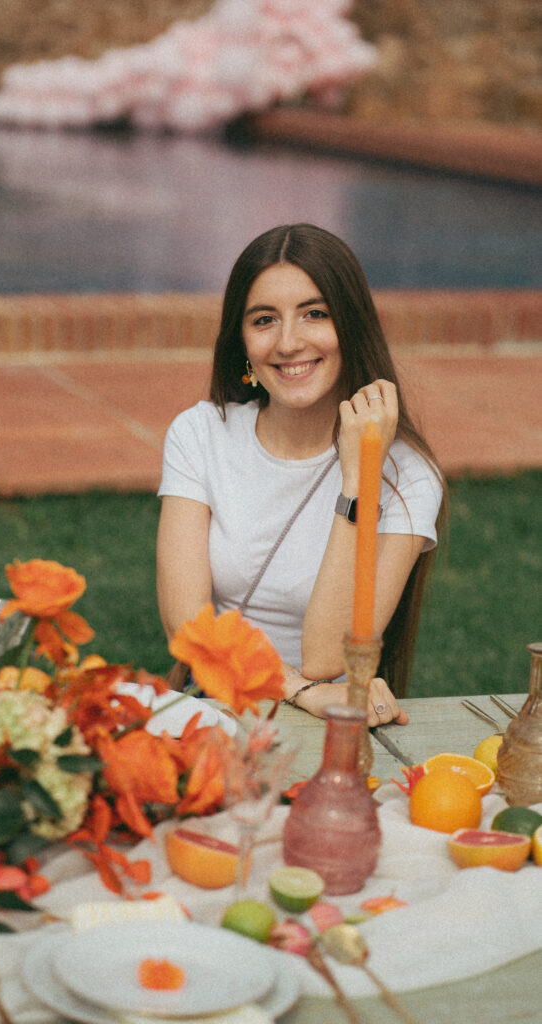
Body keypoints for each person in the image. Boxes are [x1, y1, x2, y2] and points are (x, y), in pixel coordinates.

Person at [156, 224, 445, 725]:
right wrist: (297, 688)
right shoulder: (200, 435)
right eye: (264, 320)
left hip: (335, 721)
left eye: (315, 314)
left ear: (351, 326)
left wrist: (358, 480)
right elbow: (188, 629)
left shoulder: (409, 476)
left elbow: (330, 657)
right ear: (241, 342)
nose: (289, 342)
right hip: (222, 706)